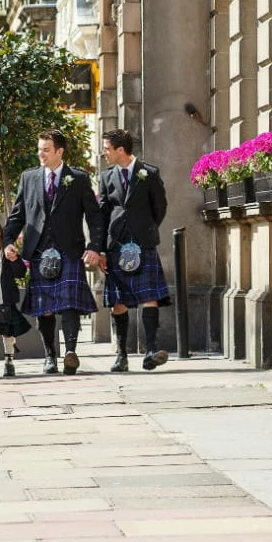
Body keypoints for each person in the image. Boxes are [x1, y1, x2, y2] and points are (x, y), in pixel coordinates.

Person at [4, 129, 103, 375]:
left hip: (69, 250)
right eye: (39, 149)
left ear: (60, 151)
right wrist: (8, 241)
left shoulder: (78, 179)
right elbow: (18, 215)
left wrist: (94, 247)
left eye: (46, 149)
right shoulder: (29, 178)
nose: (41, 154)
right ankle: (50, 356)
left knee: (69, 303)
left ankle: (70, 352)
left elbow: (94, 217)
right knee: (44, 307)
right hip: (38, 250)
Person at [98, 128, 170, 371]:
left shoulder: (148, 173)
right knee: (117, 301)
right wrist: (100, 250)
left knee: (149, 297)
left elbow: (159, 207)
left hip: (142, 243)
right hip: (116, 244)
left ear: (120, 150)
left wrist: (145, 230)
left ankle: (150, 350)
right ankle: (122, 356)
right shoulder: (107, 177)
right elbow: (102, 215)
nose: (104, 153)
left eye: (107, 148)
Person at [0, 221, 31, 378]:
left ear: (1, 241)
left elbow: (21, 273)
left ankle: (9, 361)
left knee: (8, 334)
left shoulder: (7, 256)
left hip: (6, 302)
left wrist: (15, 259)